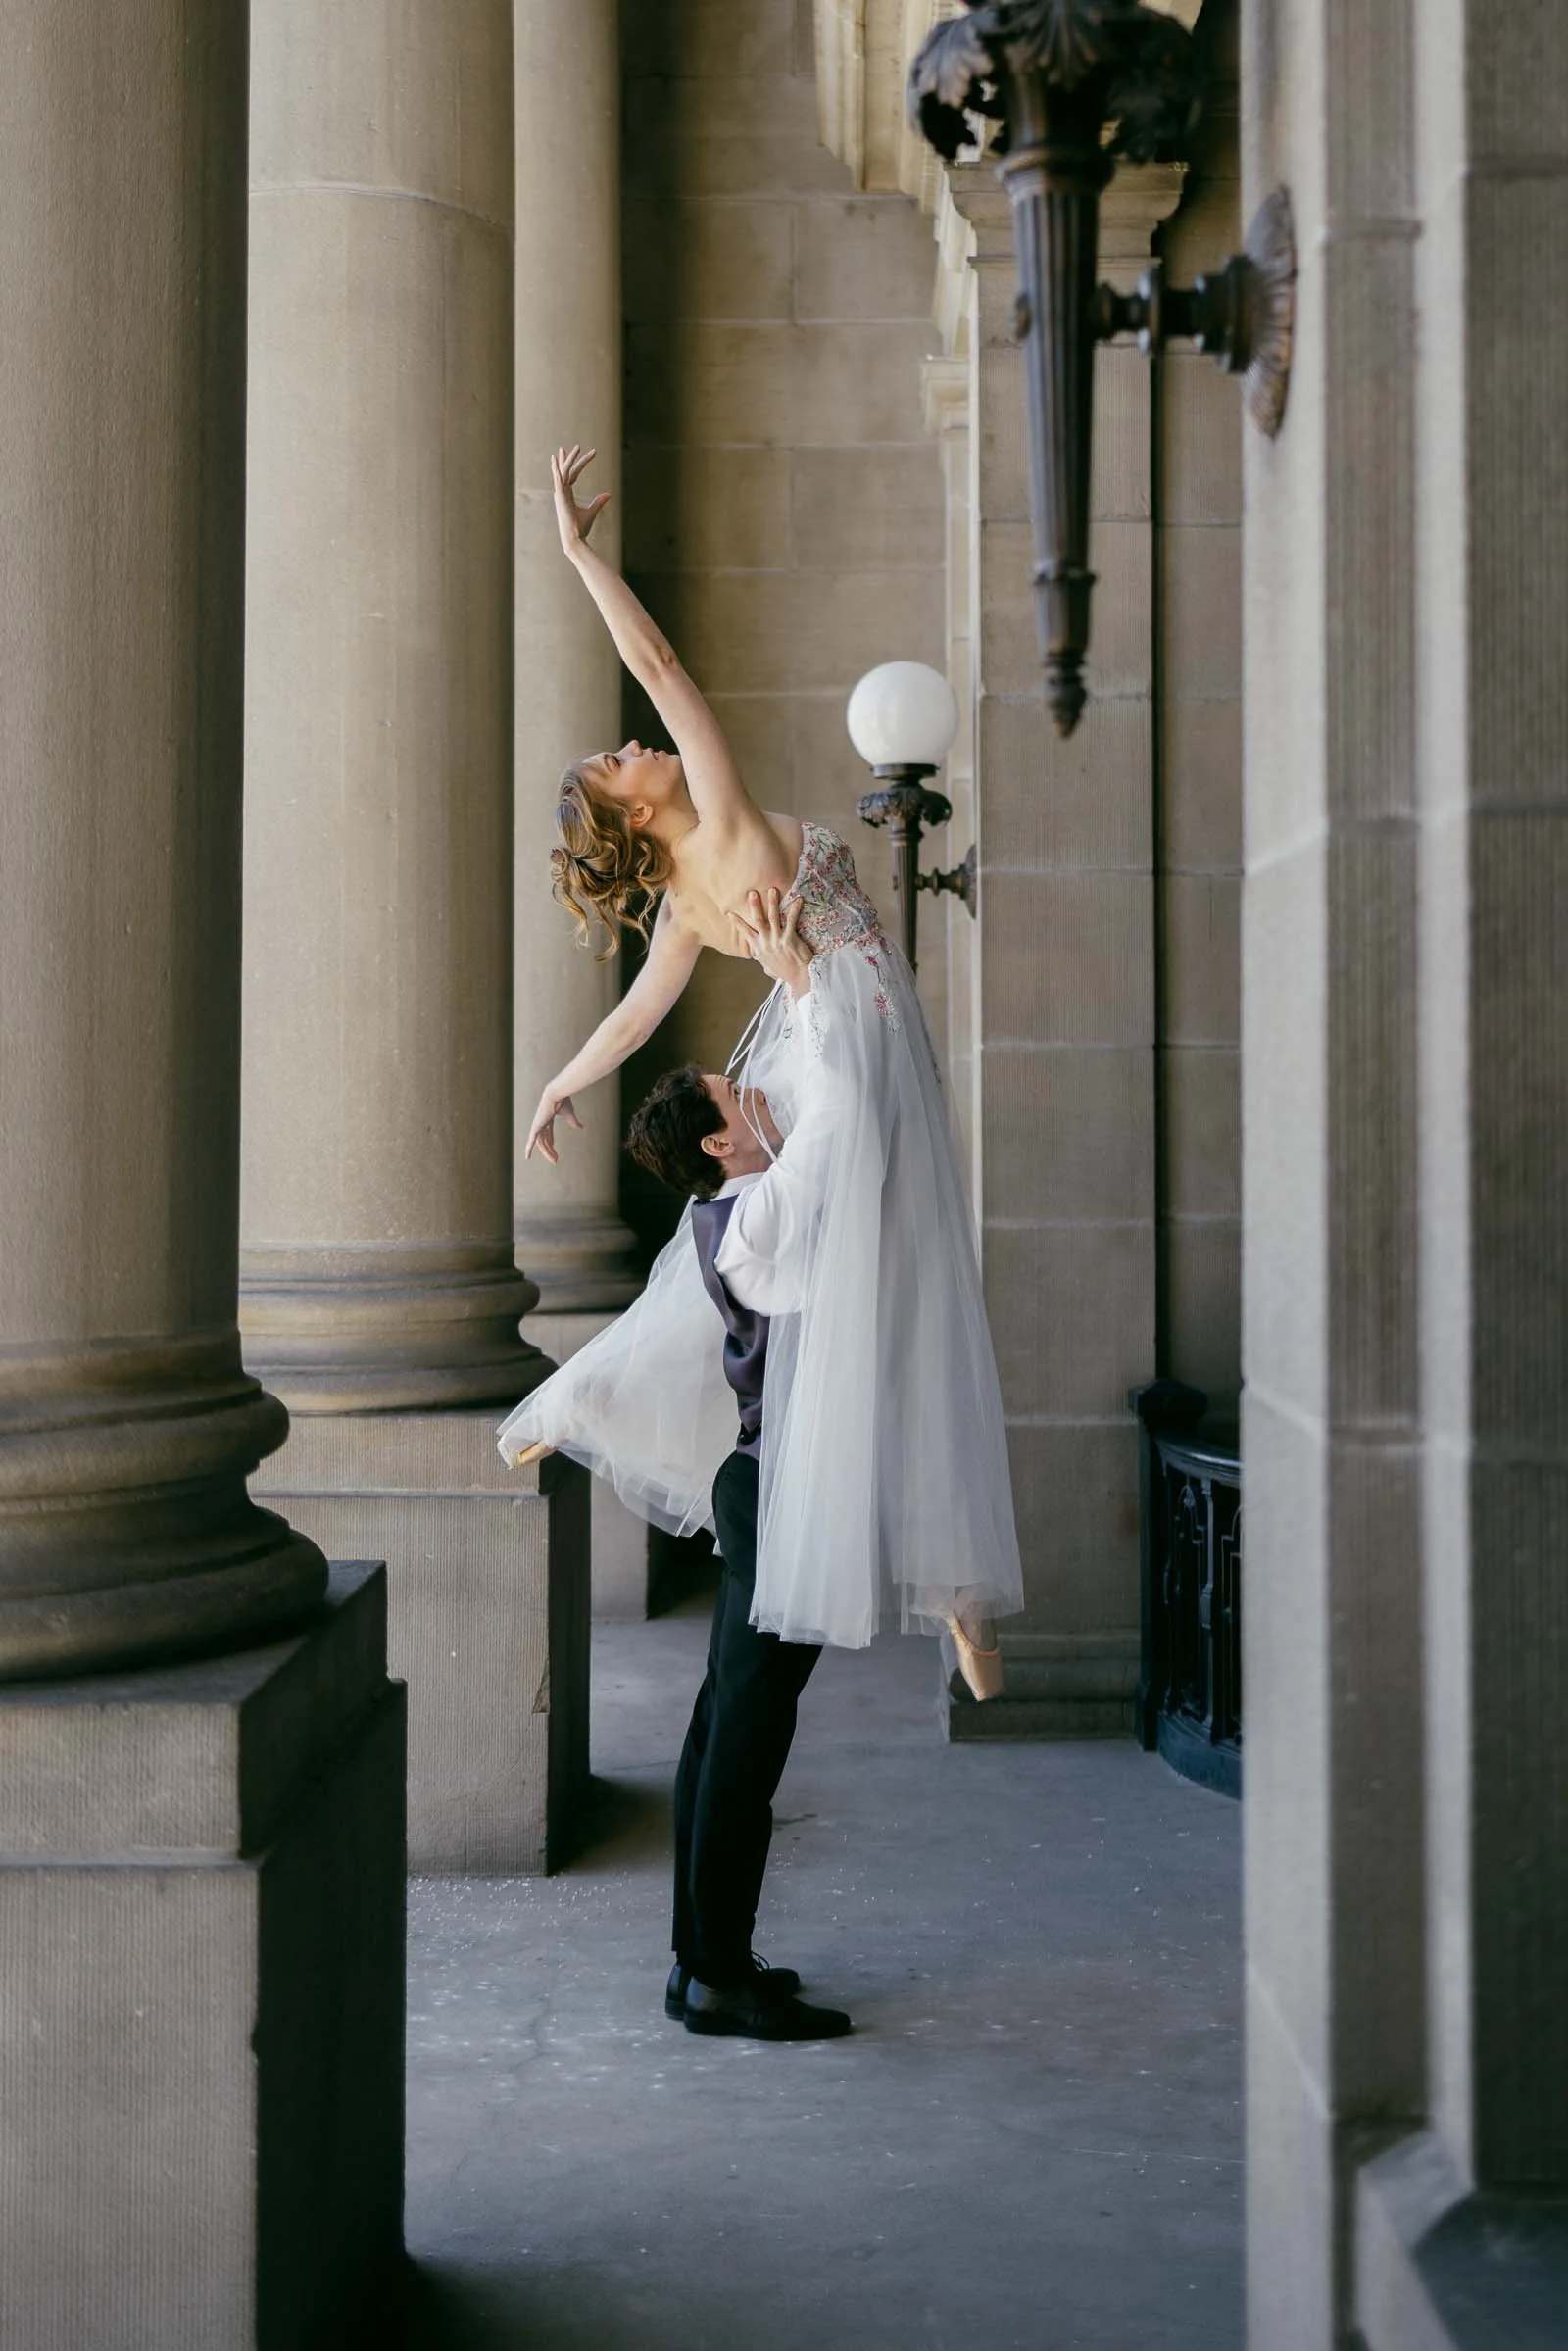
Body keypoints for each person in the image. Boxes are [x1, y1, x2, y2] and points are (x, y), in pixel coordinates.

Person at [499, 445, 1021, 1685]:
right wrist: (575, 554)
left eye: (627, 744)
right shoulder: (718, 825)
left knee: (767, 1264)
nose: (637, 742)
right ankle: (956, 1593)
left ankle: (592, 1396)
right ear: (633, 813)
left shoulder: (686, 898)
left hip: (810, 1025)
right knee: (892, 1284)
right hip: (853, 1029)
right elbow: (659, 663)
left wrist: (562, 1081)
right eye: (620, 762)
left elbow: (634, 1023)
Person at [631, 890, 852, 2041]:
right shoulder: (759, 1214)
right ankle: (716, 1971)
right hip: (778, 1495)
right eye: (736, 1095)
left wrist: (795, 975)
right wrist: (807, 979)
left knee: (721, 1725)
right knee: (744, 1742)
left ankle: (698, 1960)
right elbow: (842, 1116)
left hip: (760, 1488)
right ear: (719, 1140)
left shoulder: (729, 1212)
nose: (755, 1090)